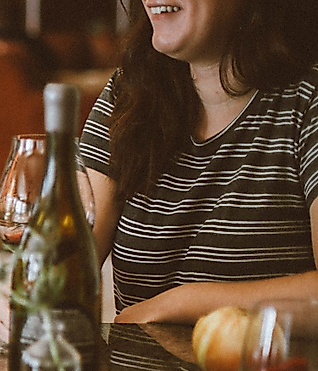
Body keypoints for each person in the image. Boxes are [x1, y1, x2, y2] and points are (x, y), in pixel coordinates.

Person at [81, 0, 318, 323]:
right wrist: (34, 296)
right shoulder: (126, 94)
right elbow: (70, 265)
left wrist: (180, 304)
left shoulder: (308, 100)